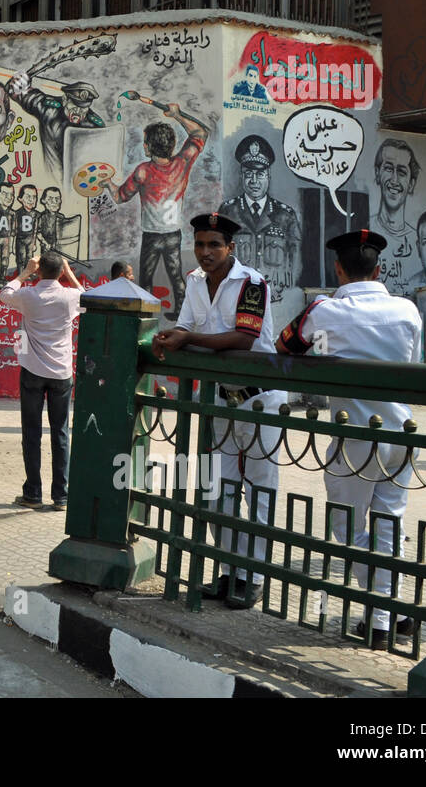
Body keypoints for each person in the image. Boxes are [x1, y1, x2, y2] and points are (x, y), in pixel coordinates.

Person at [276, 230, 423, 647]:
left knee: (348, 524)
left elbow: (284, 346)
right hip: (403, 432)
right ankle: (384, 616)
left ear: (338, 269)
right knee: (389, 524)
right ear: (380, 270)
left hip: (355, 437)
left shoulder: (323, 311)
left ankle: (382, 615)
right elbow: (409, 364)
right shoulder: (408, 310)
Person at [151, 213, 287, 608]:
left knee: (259, 492)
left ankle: (254, 577)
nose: (206, 252)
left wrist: (187, 337)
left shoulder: (252, 283)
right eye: (200, 245)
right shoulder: (194, 282)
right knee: (217, 493)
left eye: (214, 245)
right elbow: (187, 327)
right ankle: (230, 569)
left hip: (259, 398)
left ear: (231, 247)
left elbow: (244, 340)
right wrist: (171, 338)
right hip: (221, 401)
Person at [107, 101, 209, 317]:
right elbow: (201, 132)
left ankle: (146, 316)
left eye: (145, 143)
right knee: (175, 275)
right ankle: (181, 312)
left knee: (146, 278)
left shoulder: (143, 171)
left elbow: (120, 196)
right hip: (173, 233)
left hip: (152, 235)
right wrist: (178, 115)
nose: (143, 146)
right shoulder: (182, 163)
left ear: (151, 146)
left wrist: (107, 183)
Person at [0, 253, 83, 510]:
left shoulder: (28, 295)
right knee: (60, 433)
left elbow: (4, 294)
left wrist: (24, 272)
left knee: (32, 432)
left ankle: (33, 494)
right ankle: (62, 496)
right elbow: (91, 299)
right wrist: (69, 274)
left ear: (39, 272)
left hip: (33, 371)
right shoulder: (70, 297)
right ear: (60, 272)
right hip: (61, 373)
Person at [218, 135, 300, 303]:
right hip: (235, 299)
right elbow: (219, 258)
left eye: (260, 174)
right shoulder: (228, 211)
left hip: (275, 300)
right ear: (241, 175)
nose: (254, 181)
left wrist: (286, 293)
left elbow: (295, 262)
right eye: (249, 174)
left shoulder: (286, 216)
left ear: (268, 175)